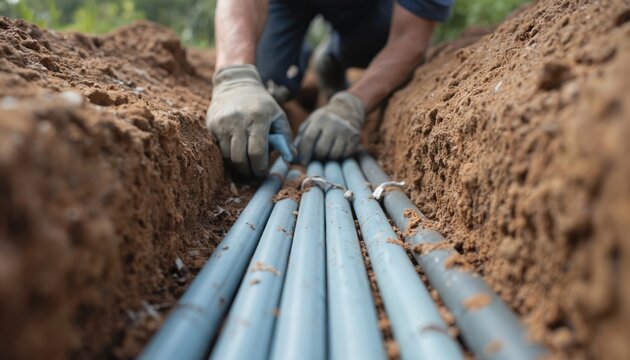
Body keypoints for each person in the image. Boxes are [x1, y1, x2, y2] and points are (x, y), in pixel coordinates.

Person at [206, 0, 453, 176]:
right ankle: (294, 61)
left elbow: (410, 36)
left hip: (368, 9)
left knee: (375, 43)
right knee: (270, 77)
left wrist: (352, 104)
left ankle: (334, 56)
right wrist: (235, 76)